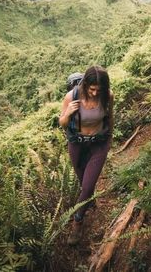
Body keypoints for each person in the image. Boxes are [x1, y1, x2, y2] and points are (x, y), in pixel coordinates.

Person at [59, 65, 114, 245]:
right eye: (92, 89)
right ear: (85, 84)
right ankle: (90, 198)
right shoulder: (71, 97)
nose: (95, 93)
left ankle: (77, 221)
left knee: (87, 184)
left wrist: (109, 139)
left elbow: (110, 117)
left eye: (99, 90)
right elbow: (63, 123)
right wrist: (68, 114)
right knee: (84, 182)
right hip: (77, 144)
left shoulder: (107, 96)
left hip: (98, 144)